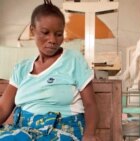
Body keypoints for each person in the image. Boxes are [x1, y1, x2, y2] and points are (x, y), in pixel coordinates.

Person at [0, 0, 100, 141]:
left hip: (62, 131)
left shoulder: (73, 60)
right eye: (45, 32)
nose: (52, 40)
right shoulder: (21, 68)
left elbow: (90, 105)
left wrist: (89, 135)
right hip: (23, 131)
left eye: (58, 34)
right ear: (32, 30)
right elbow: (3, 108)